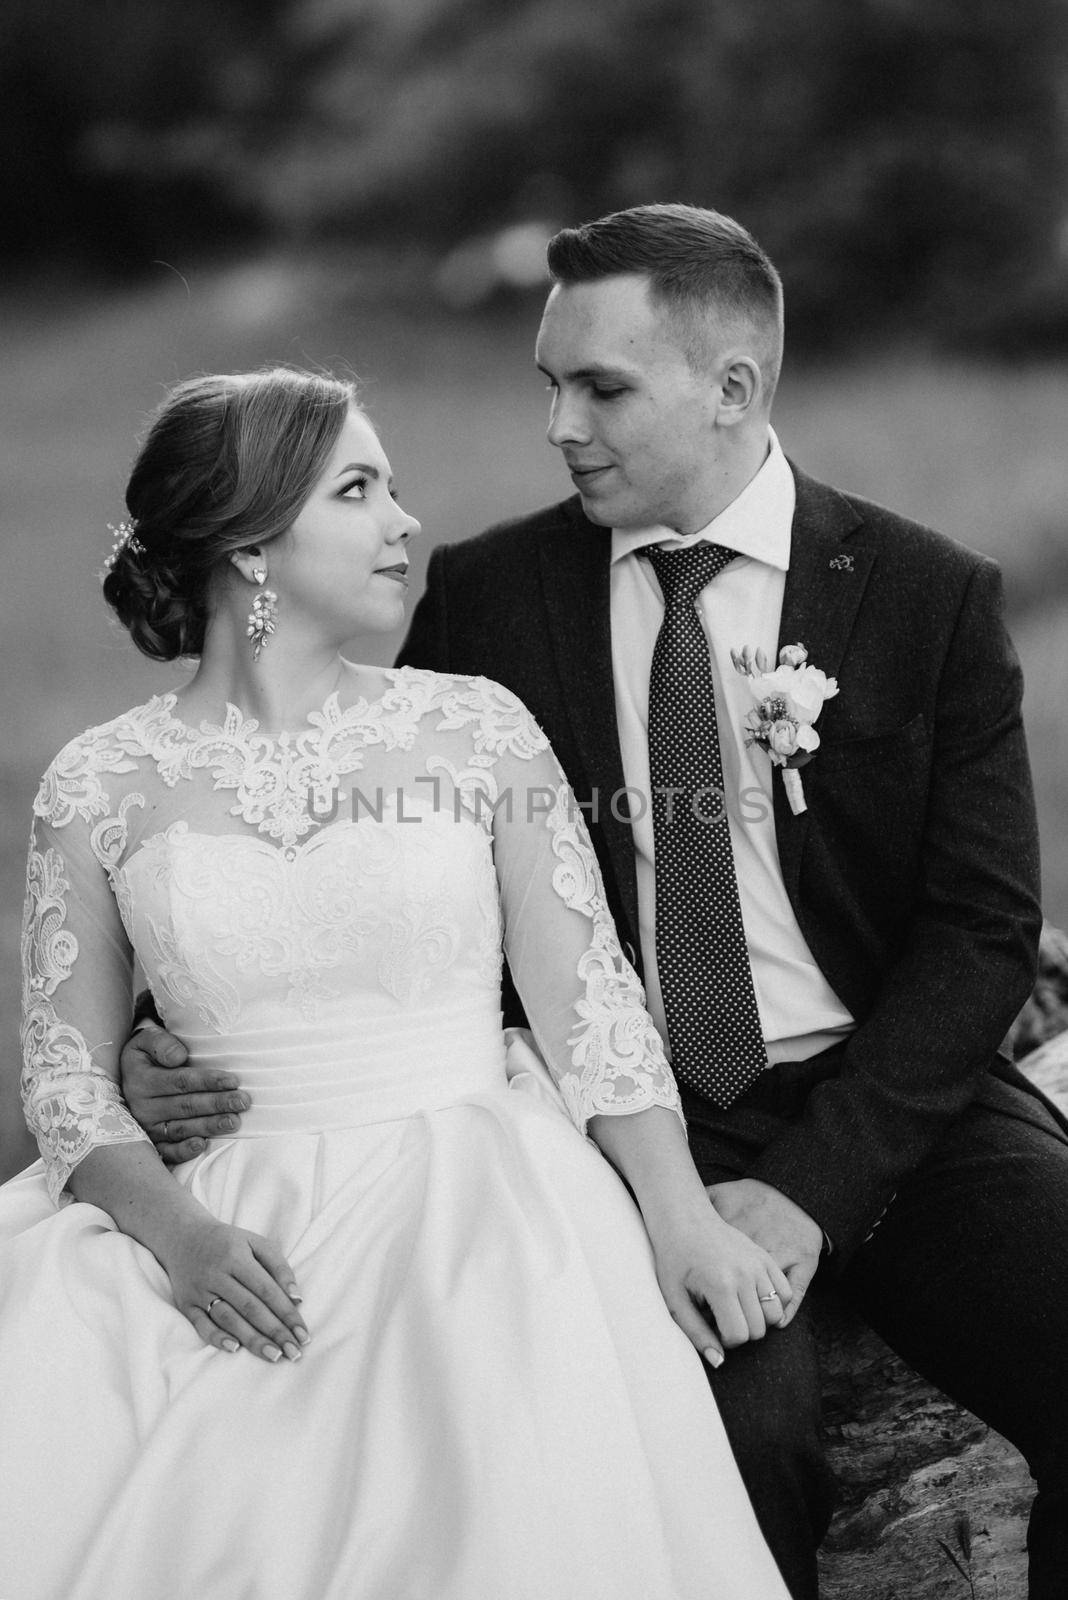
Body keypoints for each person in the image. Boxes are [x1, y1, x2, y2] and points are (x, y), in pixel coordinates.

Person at [122, 209, 1068, 1600]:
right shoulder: (493, 596)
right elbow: (337, 831)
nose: (560, 423)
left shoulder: (924, 596)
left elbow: (982, 931)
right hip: (615, 1120)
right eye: (548, 387)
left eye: (603, 389)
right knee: (729, 1443)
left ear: (734, 389)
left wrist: (812, 1194)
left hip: (896, 1102)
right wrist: (168, 1031)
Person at [0, 366, 793, 1600]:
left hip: (482, 1199)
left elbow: (593, 1015)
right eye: (358, 490)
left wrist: (678, 1212)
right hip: (226, 1225)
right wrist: (184, 1238)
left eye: (394, 488)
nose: (404, 523)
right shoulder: (98, 784)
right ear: (250, 543)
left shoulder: (478, 730)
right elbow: (62, 1077)